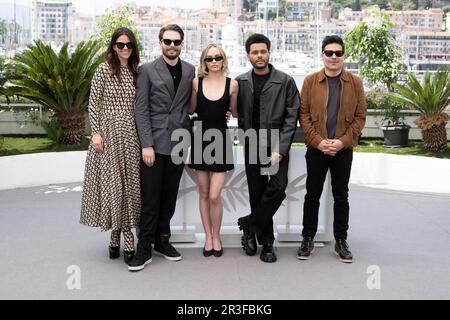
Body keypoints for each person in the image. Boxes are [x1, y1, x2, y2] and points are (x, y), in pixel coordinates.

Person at [129, 24, 195, 272]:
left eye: (176, 42)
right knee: (150, 198)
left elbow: (190, 105)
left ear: (182, 44)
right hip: (154, 144)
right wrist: (146, 144)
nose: (172, 46)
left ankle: (162, 240)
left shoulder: (189, 71)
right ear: (160, 43)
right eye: (167, 41)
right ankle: (144, 246)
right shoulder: (146, 70)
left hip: (179, 142)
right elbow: (141, 109)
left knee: (169, 197)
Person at [298, 35, 367, 263]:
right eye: (329, 53)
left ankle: (341, 240)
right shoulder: (309, 82)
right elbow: (304, 116)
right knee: (312, 195)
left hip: (342, 149)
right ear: (322, 55)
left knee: (341, 195)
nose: (334, 57)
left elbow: (360, 117)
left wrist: (341, 142)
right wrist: (318, 142)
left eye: (338, 53)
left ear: (343, 56)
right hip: (316, 149)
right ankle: (308, 238)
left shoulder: (355, 83)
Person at [233, 34, 300, 263]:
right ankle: (267, 243)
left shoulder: (286, 81)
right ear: (248, 55)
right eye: (254, 52)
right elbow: (232, 108)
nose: (259, 56)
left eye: (263, 51)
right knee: (257, 193)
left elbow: (292, 118)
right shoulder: (240, 82)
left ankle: (249, 224)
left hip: (276, 143)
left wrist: (280, 148)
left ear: (269, 53)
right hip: (252, 143)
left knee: (278, 188)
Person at [80, 27, 141, 264]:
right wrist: (95, 132)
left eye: (128, 45)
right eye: (120, 45)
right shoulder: (104, 70)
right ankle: (127, 238)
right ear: (113, 47)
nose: (124, 49)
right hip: (108, 134)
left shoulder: (137, 72)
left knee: (129, 186)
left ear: (134, 47)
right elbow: (93, 103)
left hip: (131, 134)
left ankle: (115, 237)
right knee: (114, 186)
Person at [188, 44, 238, 258]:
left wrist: (228, 113)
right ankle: (208, 236)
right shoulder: (195, 83)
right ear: (204, 62)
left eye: (217, 57)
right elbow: (191, 109)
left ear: (223, 59)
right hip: (200, 139)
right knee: (204, 192)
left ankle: (216, 236)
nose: (214, 61)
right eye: (209, 58)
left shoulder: (232, 84)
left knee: (216, 195)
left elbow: (234, 111)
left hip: (221, 140)